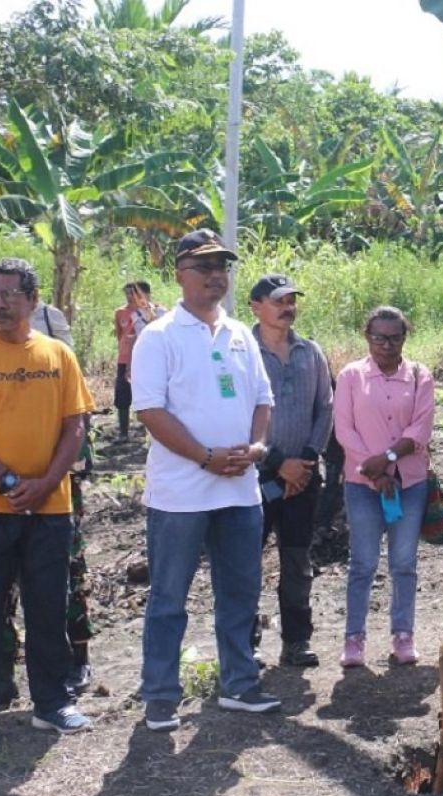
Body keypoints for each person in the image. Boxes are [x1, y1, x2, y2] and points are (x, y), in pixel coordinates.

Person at [131, 229, 280, 732]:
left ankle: (239, 683)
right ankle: (160, 696)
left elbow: (263, 400)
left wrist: (257, 447)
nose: (216, 276)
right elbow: (150, 411)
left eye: (222, 267)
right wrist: (206, 456)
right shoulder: (159, 336)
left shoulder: (240, 334)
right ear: (179, 274)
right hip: (181, 494)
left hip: (240, 490)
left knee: (239, 590)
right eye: (204, 267)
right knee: (169, 597)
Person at [0, 257, 94, 734]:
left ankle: (52, 703)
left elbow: (75, 423)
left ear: (33, 301)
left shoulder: (58, 354)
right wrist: (9, 482)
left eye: (9, 294)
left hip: (52, 508)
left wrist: (48, 482)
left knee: (48, 606)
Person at [333, 306, 434, 668]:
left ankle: (403, 635)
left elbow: (420, 429)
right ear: (367, 337)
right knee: (362, 562)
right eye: (379, 338)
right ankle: (354, 638)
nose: (386, 345)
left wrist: (389, 458)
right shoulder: (350, 376)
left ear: (404, 337)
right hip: (363, 485)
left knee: (404, 562)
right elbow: (344, 430)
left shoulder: (420, 376)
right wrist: (374, 472)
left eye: (394, 338)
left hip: (409, 483)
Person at [249, 275, 333, 668]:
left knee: (297, 561)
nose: (288, 307)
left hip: (303, 477)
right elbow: (236, 415)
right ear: (256, 306)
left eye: (292, 300)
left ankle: (296, 641)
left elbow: (326, 408)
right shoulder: (241, 351)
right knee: (246, 560)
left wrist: (307, 459)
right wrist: (276, 461)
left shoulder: (310, 352)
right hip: (254, 477)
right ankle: (244, 644)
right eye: (279, 301)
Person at [114, 282, 163, 440]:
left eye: (134, 294)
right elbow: (121, 336)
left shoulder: (159, 312)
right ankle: (123, 432)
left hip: (148, 359)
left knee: (149, 394)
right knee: (122, 395)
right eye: (127, 294)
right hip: (126, 358)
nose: (130, 298)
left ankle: (150, 432)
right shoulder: (121, 313)